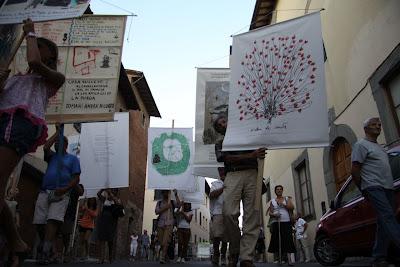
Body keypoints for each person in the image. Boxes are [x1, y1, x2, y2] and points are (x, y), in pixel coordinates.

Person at [0, 18, 65, 260]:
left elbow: (34, 61)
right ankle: (16, 241)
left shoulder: (53, 79)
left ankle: (15, 241)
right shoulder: (16, 77)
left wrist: (30, 33)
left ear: (50, 56)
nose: (35, 45)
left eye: (40, 44)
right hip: (4, 122)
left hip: (21, 126)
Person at [213, 114, 266, 267]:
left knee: (252, 215)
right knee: (229, 213)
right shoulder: (220, 143)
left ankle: (246, 257)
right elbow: (225, 159)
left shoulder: (248, 134)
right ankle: (235, 249)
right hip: (233, 174)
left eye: (224, 121)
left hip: (252, 173)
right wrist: (251, 155)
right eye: (220, 124)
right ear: (219, 130)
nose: (224, 124)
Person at [351, 117, 400, 267]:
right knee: (389, 217)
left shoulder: (380, 147)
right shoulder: (361, 145)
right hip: (373, 187)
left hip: (388, 187)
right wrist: (363, 189)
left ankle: (379, 257)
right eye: (374, 124)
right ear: (366, 129)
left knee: (383, 221)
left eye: (379, 124)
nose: (378, 126)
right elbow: (354, 170)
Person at [32, 130, 81, 264]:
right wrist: (58, 133)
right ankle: (48, 246)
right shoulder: (51, 156)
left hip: (61, 193)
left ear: (66, 145)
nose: (56, 144)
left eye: (60, 142)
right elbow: (46, 147)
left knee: (52, 220)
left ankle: (45, 251)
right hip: (45, 191)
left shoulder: (72, 159)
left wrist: (64, 189)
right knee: (39, 222)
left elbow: (76, 178)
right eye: (56, 142)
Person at [267, 185, 296, 266]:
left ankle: (289, 260)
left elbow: (292, 207)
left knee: (288, 240)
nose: (279, 190)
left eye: (280, 189)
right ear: (275, 191)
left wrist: (283, 205)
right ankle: (279, 259)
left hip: (286, 221)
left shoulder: (286, 199)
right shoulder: (272, 201)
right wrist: (274, 215)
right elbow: (270, 212)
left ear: (282, 190)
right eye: (277, 189)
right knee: (278, 240)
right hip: (276, 222)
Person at [96, 189, 124, 264]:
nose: (112, 191)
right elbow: (98, 194)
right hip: (103, 220)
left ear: (116, 192)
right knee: (102, 238)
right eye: (112, 190)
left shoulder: (117, 200)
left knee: (110, 239)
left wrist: (111, 194)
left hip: (112, 221)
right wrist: (103, 189)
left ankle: (110, 257)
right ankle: (101, 258)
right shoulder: (105, 199)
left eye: (114, 191)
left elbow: (118, 204)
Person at [58, 183, 84, 263]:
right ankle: (55, 253)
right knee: (56, 233)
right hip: (59, 210)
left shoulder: (77, 185)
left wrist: (73, 182)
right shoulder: (62, 181)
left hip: (69, 213)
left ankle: (66, 252)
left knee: (66, 233)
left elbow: (81, 192)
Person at [155, 189, 181, 264]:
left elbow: (179, 205)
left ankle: (162, 258)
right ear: (162, 193)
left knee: (165, 242)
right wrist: (166, 207)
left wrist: (176, 194)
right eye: (165, 192)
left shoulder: (172, 202)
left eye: (168, 192)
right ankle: (166, 256)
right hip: (160, 224)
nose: (166, 193)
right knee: (161, 242)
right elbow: (156, 212)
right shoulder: (159, 203)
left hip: (169, 224)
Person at [209, 167, 228, 266]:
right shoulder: (215, 184)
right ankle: (216, 255)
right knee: (217, 236)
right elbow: (212, 195)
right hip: (217, 212)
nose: (222, 172)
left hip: (229, 212)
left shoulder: (232, 182)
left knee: (225, 238)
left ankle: (223, 256)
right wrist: (223, 187)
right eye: (220, 171)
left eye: (223, 170)